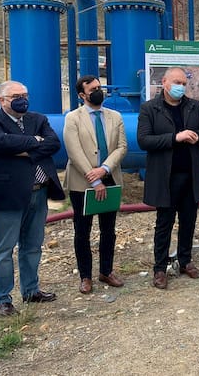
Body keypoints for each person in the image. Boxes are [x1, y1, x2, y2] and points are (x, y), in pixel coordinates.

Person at [0, 80, 65, 316]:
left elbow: (53, 144)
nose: (22, 100)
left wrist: (22, 149)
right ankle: (2, 299)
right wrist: (35, 142)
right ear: (2, 100)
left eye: (24, 95)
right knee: (4, 249)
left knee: (33, 246)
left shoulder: (38, 119)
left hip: (39, 191)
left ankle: (31, 290)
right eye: (16, 96)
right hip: (7, 194)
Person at [137, 67, 199, 290]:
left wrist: (198, 136)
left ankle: (185, 260)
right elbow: (144, 140)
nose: (181, 87)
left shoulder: (194, 106)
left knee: (188, 221)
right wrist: (175, 137)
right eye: (177, 82)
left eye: (183, 83)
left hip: (191, 175)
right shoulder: (150, 108)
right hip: (165, 177)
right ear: (164, 82)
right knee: (164, 223)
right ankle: (160, 268)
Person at [63, 75, 127, 294]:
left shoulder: (115, 116)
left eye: (100, 87)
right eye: (93, 90)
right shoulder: (73, 118)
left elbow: (121, 147)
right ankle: (85, 276)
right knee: (83, 231)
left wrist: (105, 169)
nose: (99, 92)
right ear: (82, 95)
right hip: (82, 182)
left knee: (108, 230)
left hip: (110, 177)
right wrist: (95, 178)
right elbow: (74, 151)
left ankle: (106, 271)